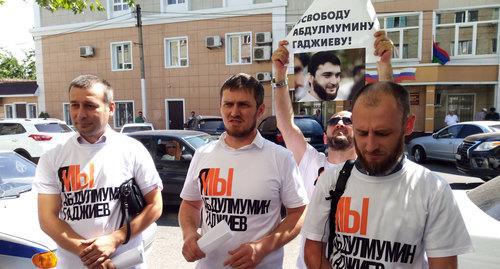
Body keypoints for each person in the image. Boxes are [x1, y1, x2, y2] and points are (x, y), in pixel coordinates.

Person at [302, 81, 473, 268]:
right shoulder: (332, 180)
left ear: (408, 125)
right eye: (361, 132)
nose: (370, 145)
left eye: (382, 133)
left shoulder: (433, 190)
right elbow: (313, 250)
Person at [271, 30, 394, 268]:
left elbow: (388, 117)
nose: (340, 123)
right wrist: (279, 74)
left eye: (349, 122)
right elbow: (285, 123)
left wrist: (384, 66)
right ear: (325, 136)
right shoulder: (311, 162)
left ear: (359, 134)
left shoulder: (373, 168)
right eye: (334, 121)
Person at [178, 73, 308, 268]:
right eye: (228, 104)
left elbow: (298, 213)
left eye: (243, 105)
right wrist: (189, 234)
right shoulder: (203, 154)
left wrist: (262, 247)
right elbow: (190, 204)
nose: (234, 112)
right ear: (220, 107)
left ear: (260, 110)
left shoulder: (280, 158)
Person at [34, 75, 163, 268]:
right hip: (75, 264)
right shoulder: (53, 155)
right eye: (74, 105)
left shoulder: (132, 149)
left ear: (110, 108)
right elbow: (47, 218)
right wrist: (89, 254)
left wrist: (116, 239)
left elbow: (155, 205)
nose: (80, 114)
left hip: (124, 263)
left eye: (89, 105)